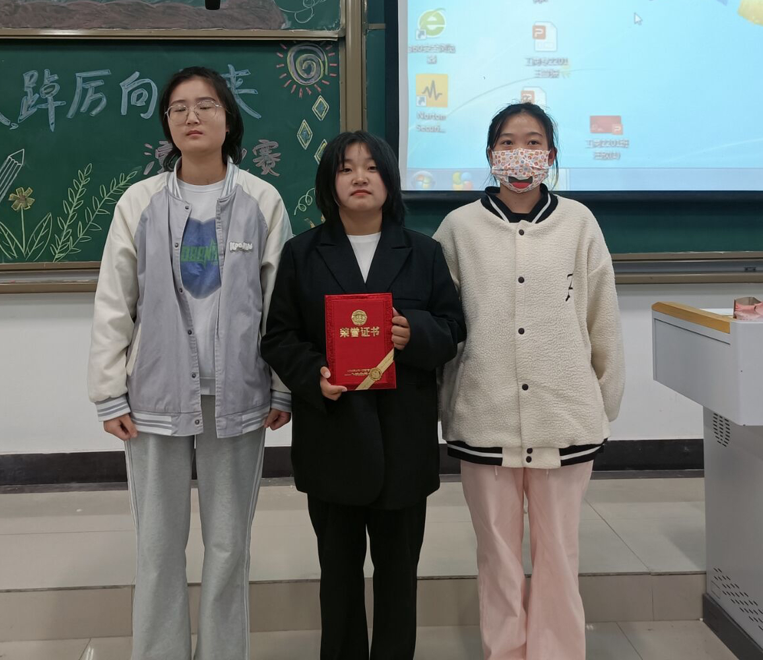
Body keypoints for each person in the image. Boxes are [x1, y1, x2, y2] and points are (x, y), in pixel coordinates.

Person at [88, 65, 293, 660]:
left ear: (229, 120)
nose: (191, 116)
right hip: (155, 395)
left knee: (228, 546)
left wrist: (283, 387)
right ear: (167, 125)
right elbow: (114, 300)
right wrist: (108, 390)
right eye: (178, 108)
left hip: (238, 395)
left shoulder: (262, 200)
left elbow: (280, 302)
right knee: (157, 546)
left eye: (206, 105)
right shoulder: (139, 202)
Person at [262, 131, 465, 660]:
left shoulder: (424, 252)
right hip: (332, 440)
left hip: (403, 444)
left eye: (372, 168)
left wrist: (414, 333)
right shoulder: (302, 253)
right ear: (329, 184)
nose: (359, 177)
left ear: (389, 181)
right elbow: (279, 336)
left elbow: (453, 329)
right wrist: (314, 375)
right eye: (346, 168)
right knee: (338, 579)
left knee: (399, 579)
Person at [434, 102, 625, 660]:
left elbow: (603, 317)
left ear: (552, 154)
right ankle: (505, 651)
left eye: (533, 142)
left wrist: (602, 401)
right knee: (496, 555)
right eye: (508, 142)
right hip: (484, 415)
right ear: (491, 154)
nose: (521, 153)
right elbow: (445, 325)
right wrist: (447, 406)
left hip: (565, 417)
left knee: (559, 553)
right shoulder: (459, 228)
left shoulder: (579, 222)